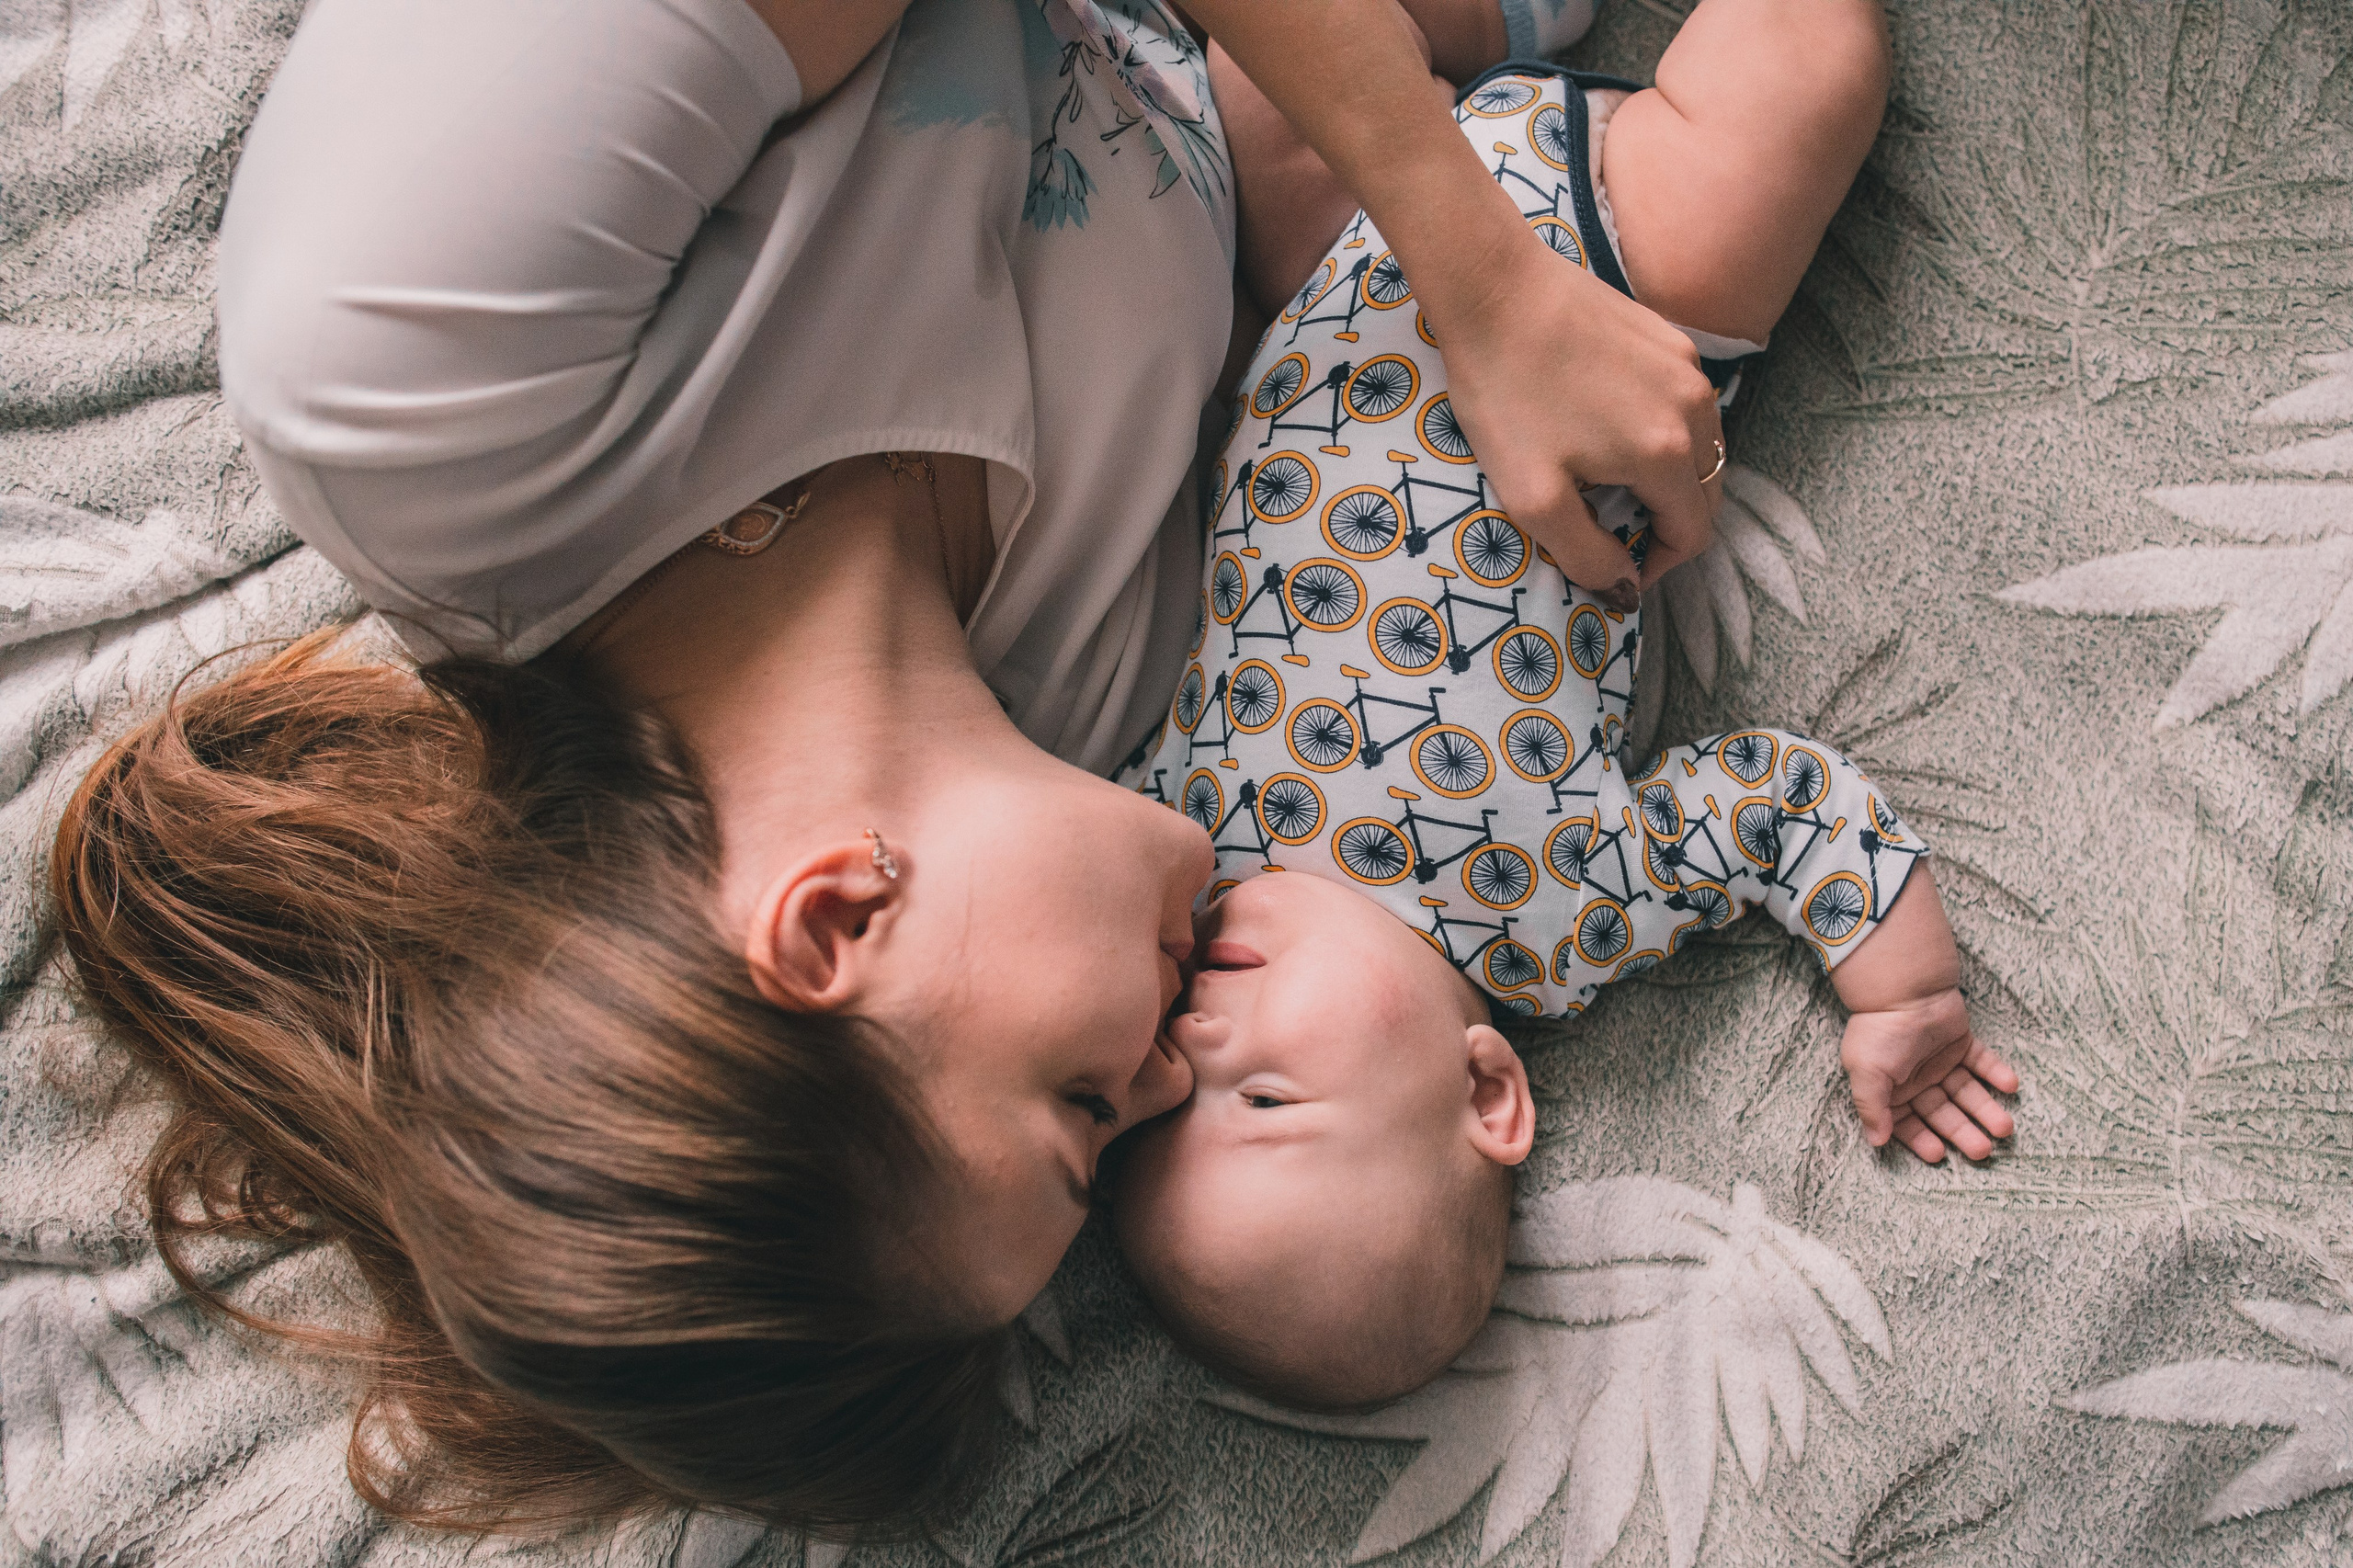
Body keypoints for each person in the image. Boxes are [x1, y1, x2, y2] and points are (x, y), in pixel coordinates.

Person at [47, 0, 1734, 1540]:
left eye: (1081, 1110)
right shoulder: (1089, 702)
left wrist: (1483, 278)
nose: (1167, 1081)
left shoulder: (426, 378)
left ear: (836, 918)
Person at [1109, 0, 2020, 1411]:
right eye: (1265, 1098)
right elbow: (1777, 807)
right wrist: (1907, 992)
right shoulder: (1560, 923)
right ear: (1486, 1090)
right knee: (1810, 75)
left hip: (1349, 251)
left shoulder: (1173, 854)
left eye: (1164, 1095)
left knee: (1248, 92)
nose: (1198, 1042)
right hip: (1620, 294)